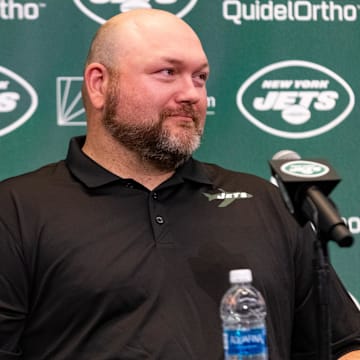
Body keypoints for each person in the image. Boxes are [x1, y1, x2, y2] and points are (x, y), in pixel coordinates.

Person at [0, 8, 359, 360]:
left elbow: (345, 345)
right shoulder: (16, 210)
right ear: (99, 84)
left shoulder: (265, 201)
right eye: (168, 72)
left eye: (200, 77)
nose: (192, 94)